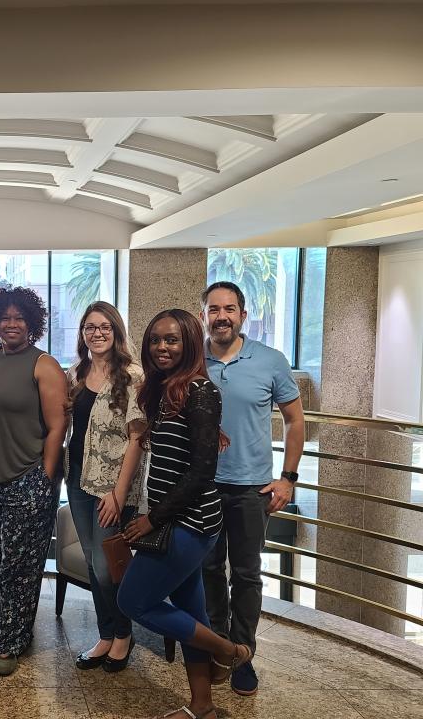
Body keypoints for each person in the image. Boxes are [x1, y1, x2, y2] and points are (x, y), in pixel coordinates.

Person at [117, 309, 251, 719]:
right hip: (177, 522)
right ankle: (202, 707)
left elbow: (201, 472)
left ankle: (229, 651)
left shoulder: (200, 391)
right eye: (156, 339)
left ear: (189, 343)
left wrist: (152, 519)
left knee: (133, 601)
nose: (162, 347)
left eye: (171, 340)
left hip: (188, 524)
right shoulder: (165, 390)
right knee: (192, 613)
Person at [199, 281, 304, 696]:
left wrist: (287, 478)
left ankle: (243, 655)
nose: (221, 315)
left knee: (246, 575)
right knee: (207, 570)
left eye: (229, 308)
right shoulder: (193, 359)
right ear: (204, 315)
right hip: (203, 488)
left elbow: (296, 421)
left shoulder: (271, 361)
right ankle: (216, 646)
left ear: (243, 314)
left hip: (251, 489)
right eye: (213, 309)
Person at [0, 286, 67, 676]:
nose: (12, 323)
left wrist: (46, 477)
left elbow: (58, 426)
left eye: (19, 317)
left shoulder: (44, 364)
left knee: (21, 564)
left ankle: (11, 642)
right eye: (5, 317)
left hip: (28, 477)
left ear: (32, 323)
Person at [64, 302, 146, 672]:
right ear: (82, 333)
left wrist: (117, 494)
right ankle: (106, 633)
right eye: (90, 327)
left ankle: (123, 634)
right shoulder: (76, 374)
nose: (97, 333)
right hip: (79, 481)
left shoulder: (132, 376)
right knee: (93, 561)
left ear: (116, 332)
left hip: (112, 489)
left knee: (107, 564)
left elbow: (137, 440)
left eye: (105, 327)